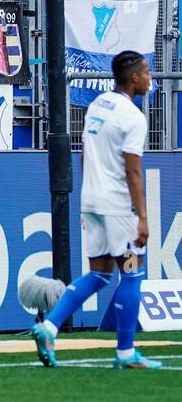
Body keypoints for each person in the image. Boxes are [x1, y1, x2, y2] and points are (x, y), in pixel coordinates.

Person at [29, 51, 160, 370]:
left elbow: (85, 152)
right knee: (132, 274)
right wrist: (142, 217)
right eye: (146, 73)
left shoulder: (98, 106)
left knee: (99, 274)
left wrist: (90, 198)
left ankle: (48, 327)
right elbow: (133, 171)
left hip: (92, 202)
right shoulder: (133, 117)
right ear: (133, 78)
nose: (149, 78)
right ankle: (126, 352)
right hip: (118, 208)